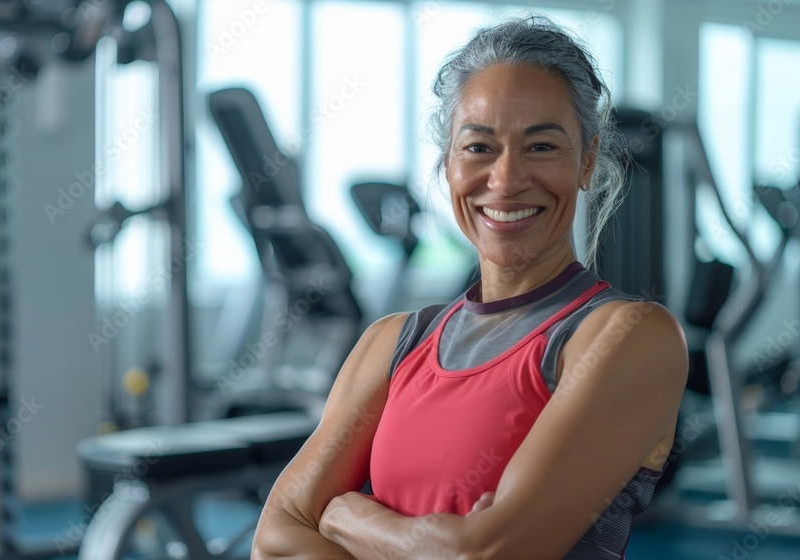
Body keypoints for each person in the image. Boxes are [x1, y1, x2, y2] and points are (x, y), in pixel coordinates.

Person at [251, 14, 687, 560]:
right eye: (479, 148)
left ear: (588, 161)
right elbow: (276, 538)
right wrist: (431, 543)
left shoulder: (627, 337)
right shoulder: (392, 343)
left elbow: (485, 554)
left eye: (542, 147)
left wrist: (345, 515)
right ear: (448, 164)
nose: (505, 181)